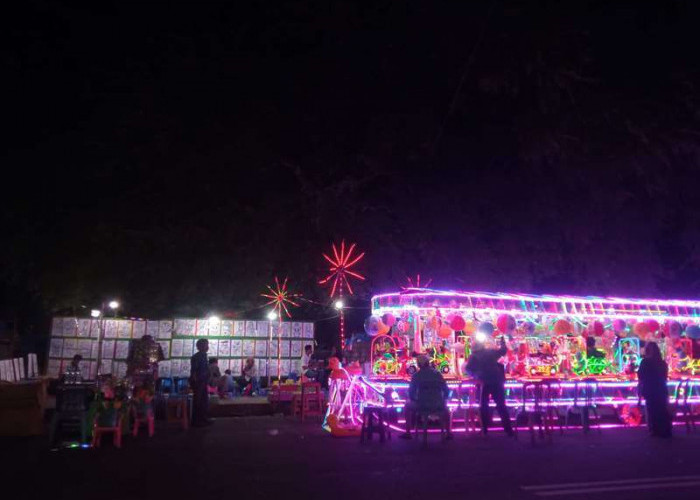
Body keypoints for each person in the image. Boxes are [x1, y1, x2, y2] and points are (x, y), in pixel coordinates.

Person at [466, 335, 514, 436]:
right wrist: (502, 341)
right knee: (501, 405)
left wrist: (476, 375)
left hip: (483, 382)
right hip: (496, 380)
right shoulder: (490, 352)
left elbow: (468, 369)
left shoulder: (473, 356)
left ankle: (485, 429)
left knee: (484, 406)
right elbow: (503, 351)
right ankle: (508, 429)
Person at [400, 355, 452, 439]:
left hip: (421, 405)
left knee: (407, 406)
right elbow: (446, 390)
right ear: (428, 363)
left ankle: (408, 432)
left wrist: (414, 399)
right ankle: (448, 433)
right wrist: (444, 399)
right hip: (438, 404)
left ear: (419, 365)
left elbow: (411, 393)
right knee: (447, 410)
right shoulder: (437, 374)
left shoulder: (416, 376)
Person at [637, 341, 672, 438]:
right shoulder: (662, 363)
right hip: (661, 390)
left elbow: (640, 376)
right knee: (662, 409)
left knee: (651, 409)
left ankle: (654, 429)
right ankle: (664, 429)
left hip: (650, 389)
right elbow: (665, 376)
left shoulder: (645, 362)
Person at [190, 339, 212, 427]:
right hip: (199, 382)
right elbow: (194, 371)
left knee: (204, 401)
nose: (207, 347)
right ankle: (196, 421)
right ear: (201, 346)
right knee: (198, 401)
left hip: (203, 381)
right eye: (206, 345)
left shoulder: (204, 356)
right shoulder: (197, 357)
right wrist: (195, 383)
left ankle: (203, 418)